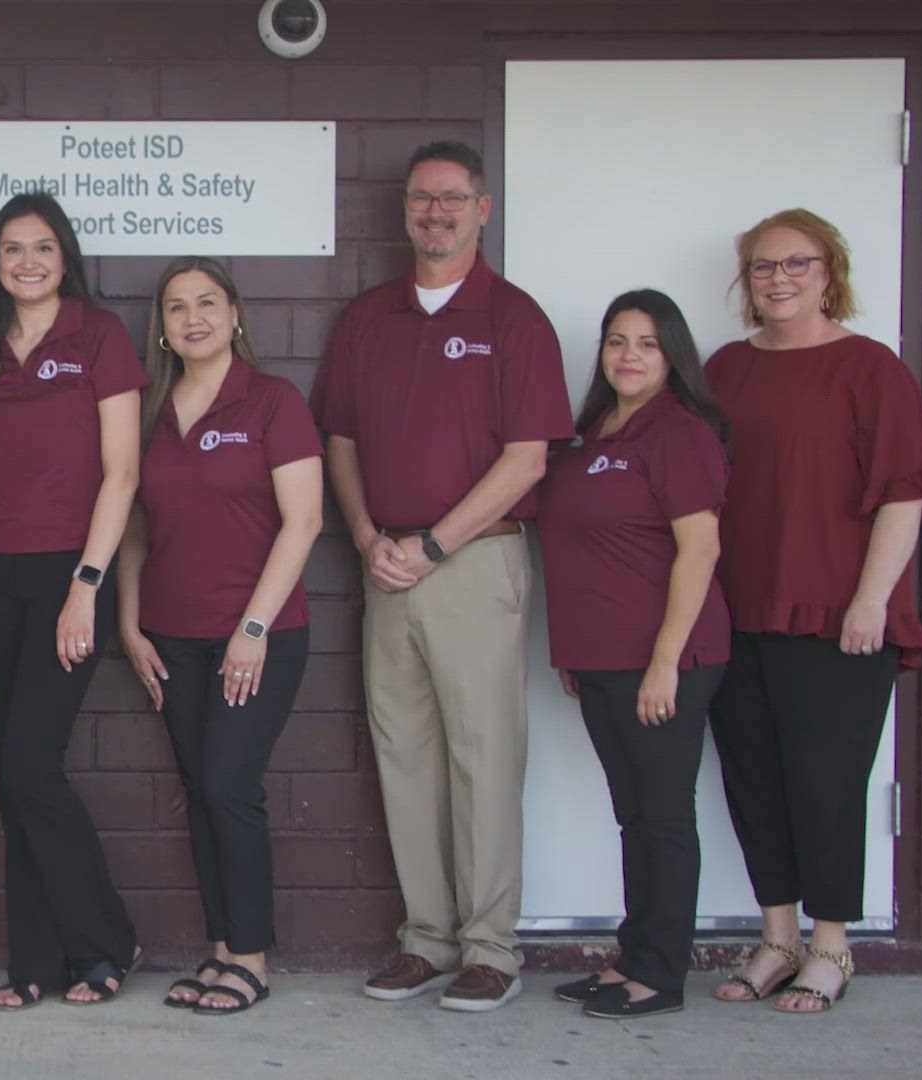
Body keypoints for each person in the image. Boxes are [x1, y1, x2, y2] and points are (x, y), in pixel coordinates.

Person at [309, 141, 574, 1011]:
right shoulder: (370, 316)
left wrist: (434, 544)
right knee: (405, 756)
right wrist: (363, 533)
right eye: (422, 199)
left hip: (473, 561)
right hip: (385, 562)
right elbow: (340, 439)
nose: (436, 213)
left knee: (483, 755)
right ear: (404, 210)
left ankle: (490, 948)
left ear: (482, 209)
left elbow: (527, 459)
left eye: (453, 199)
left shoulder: (513, 317)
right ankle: (425, 939)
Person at [704, 209, 922, 1014]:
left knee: (827, 785)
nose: (779, 279)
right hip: (737, 610)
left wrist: (871, 600)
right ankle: (777, 938)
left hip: (839, 616)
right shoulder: (725, 370)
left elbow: (905, 492)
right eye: (764, 267)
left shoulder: (870, 369)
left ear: (829, 271)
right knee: (754, 780)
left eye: (796, 264)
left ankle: (831, 946)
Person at [0, 193, 146, 1010]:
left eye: (41, 246)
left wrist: (87, 586)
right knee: (11, 776)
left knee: (33, 765)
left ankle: (106, 940)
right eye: (11, 249)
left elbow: (123, 472)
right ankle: (33, 961)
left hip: (69, 575)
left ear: (65, 255)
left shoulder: (99, 335)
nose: (27, 261)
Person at [117, 257, 322, 1016]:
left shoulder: (272, 402)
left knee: (230, 789)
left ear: (236, 314)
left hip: (258, 637)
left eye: (207, 302)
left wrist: (254, 628)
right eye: (176, 307)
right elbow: (136, 527)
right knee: (200, 794)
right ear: (163, 330)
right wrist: (128, 621)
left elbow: (304, 521)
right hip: (172, 637)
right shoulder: (152, 412)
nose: (192, 317)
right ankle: (219, 949)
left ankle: (252, 957)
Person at [537, 290, 730, 1019]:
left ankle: (661, 973)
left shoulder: (678, 434)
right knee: (634, 814)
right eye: (617, 341)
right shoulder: (595, 432)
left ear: (672, 355)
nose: (628, 356)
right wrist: (575, 650)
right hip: (601, 659)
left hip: (667, 658)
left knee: (663, 816)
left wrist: (664, 661)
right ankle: (633, 956)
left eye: (646, 344)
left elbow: (700, 549)